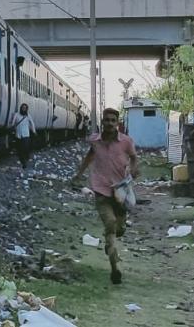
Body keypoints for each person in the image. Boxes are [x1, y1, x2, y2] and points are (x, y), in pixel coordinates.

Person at [72, 108, 139, 285]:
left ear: (117, 122)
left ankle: (112, 242)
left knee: (119, 228)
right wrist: (79, 174)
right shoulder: (95, 141)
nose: (109, 123)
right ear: (102, 122)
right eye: (106, 120)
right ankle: (114, 268)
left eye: (112, 120)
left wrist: (134, 169)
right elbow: (90, 155)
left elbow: (133, 157)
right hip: (101, 190)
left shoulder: (126, 141)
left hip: (120, 192)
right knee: (110, 224)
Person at [11, 103, 36, 168]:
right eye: (23, 108)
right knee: (20, 150)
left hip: (26, 135)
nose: (24, 109)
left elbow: (32, 123)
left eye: (25, 108)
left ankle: (26, 159)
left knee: (26, 149)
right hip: (18, 135)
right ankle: (23, 162)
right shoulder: (16, 115)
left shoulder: (28, 116)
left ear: (26, 109)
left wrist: (34, 131)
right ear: (21, 108)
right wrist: (12, 126)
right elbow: (13, 123)